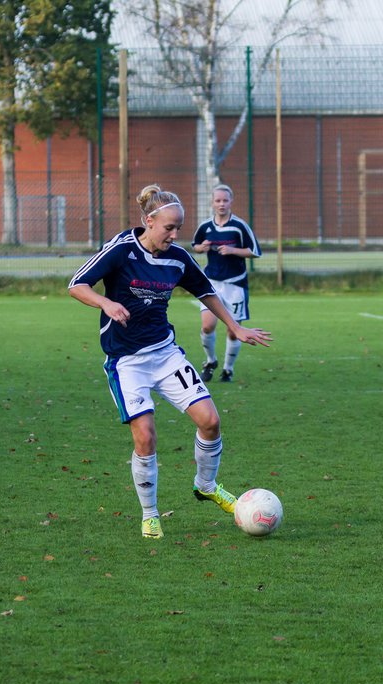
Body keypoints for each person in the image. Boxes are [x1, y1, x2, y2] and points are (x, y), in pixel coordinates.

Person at [69, 184, 271, 540]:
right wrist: (105, 303)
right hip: (127, 361)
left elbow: (205, 289)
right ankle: (150, 513)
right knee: (145, 437)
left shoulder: (177, 257)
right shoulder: (121, 249)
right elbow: (77, 284)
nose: (175, 234)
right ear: (150, 221)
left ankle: (206, 485)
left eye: (179, 227)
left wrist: (234, 326)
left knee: (210, 421)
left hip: (164, 354)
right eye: (169, 227)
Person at [190, 184, 261, 383]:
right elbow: (195, 246)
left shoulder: (239, 226)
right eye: (218, 200)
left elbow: (255, 251)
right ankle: (210, 361)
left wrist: (233, 251)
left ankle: (228, 369)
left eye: (225, 200)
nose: (221, 204)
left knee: (233, 330)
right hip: (211, 282)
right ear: (212, 203)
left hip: (235, 285)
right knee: (207, 326)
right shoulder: (205, 226)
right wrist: (200, 248)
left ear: (231, 201)